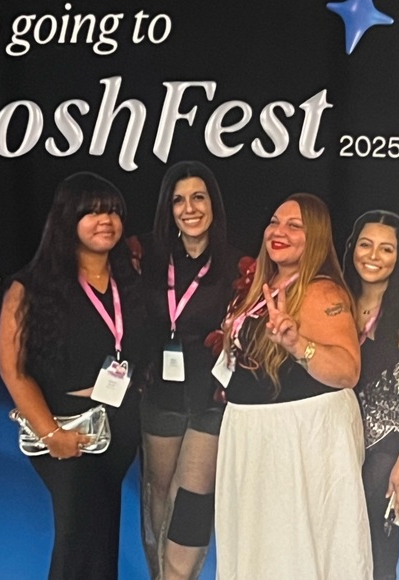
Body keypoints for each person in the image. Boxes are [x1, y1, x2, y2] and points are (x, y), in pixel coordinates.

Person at [215, 193, 373, 579]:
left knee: (295, 549)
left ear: (314, 236)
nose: (278, 231)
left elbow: (347, 371)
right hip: (254, 436)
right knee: (261, 550)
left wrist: (298, 344)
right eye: (274, 221)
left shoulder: (323, 292)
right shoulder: (264, 287)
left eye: (294, 225)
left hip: (298, 440)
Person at [0, 172, 145, 580]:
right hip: (65, 428)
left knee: (101, 542)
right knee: (76, 542)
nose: (106, 220)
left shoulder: (128, 282)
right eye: (92, 212)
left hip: (118, 428)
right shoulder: (30, 288)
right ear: (67, 219)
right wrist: (51, 434)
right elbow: (12, 370)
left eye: (113, 211)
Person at [132, 160, 243, 579]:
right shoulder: (146, 257)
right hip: (159, 395)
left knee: (192, 500)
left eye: (198, 197)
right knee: (158, 495)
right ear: (168, 208)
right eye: (178, 200)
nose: (189, 208)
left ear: (214, 204)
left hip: (211, 400)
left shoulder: (237, 266)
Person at [343, 210, 399, 580]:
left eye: (387, 249)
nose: (373, 256)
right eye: (366, 245)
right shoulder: (334, 301)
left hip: (386, 453)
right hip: (337, 444)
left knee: (379, 556)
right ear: (352, 248)